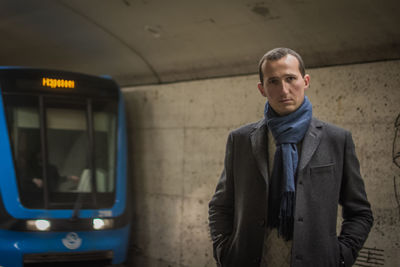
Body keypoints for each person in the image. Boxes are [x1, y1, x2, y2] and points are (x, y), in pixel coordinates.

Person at [208, 48, 373, 267]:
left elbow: (360, 212)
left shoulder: (336, 139)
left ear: (305, 81)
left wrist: (341, 256)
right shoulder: (240, 140)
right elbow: (220, 205)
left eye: (290, 79)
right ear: (262, 89)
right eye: (273, 82)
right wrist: (224, 251)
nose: (284, 90)